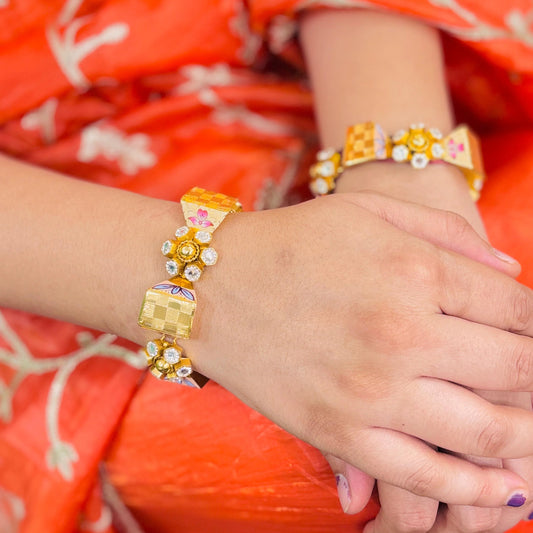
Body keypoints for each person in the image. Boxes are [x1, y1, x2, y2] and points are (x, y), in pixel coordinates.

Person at [0, 2, 532, 533]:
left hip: (376, 63)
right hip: (55, 251)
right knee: (316, 471)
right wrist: (214, 288)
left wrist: (398, 162)